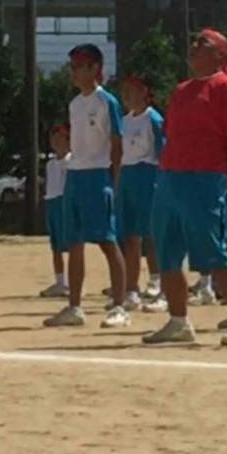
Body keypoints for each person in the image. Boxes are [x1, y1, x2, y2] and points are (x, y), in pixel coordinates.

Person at [141, 28, 227, 346]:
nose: (193, 47)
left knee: (213, 252)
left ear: (220, 54)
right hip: (170, 179)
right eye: (193, 42)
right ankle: (178, 321)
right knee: (167, 251)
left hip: (205, 179)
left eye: (202, 44)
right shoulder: (181, 91)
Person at [43, 43, 130, 330]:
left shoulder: (107, 101)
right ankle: (74, 306)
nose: (74, 72)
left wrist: (114, 180)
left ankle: (119, 305)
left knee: (107, 241)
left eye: (80, 66)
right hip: (75, 175)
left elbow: (117, 143)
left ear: (95, 68)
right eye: (72, 67)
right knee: (74, 243)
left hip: (98, 175)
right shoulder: (75, 104)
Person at [117, 74, 167, 312]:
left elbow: (163, 152)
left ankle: (160, 282)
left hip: (148, 175)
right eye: (126, 90)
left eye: (133, 89)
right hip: (128, 175)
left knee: (153, 234)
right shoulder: (124, 121)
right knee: (130, 236)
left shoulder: (153, 119)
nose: (128, 95)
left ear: (145, 92)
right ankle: (131, 290)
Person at [38, 125, 72, 299]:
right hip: (52, 202)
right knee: (55, 245)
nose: (57, 143)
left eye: (60, 139)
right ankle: (60, 282)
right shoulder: (50, 164)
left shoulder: (72, 161)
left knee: (72, 245)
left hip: (65, 202)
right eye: (54, 139)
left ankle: (73, 282)